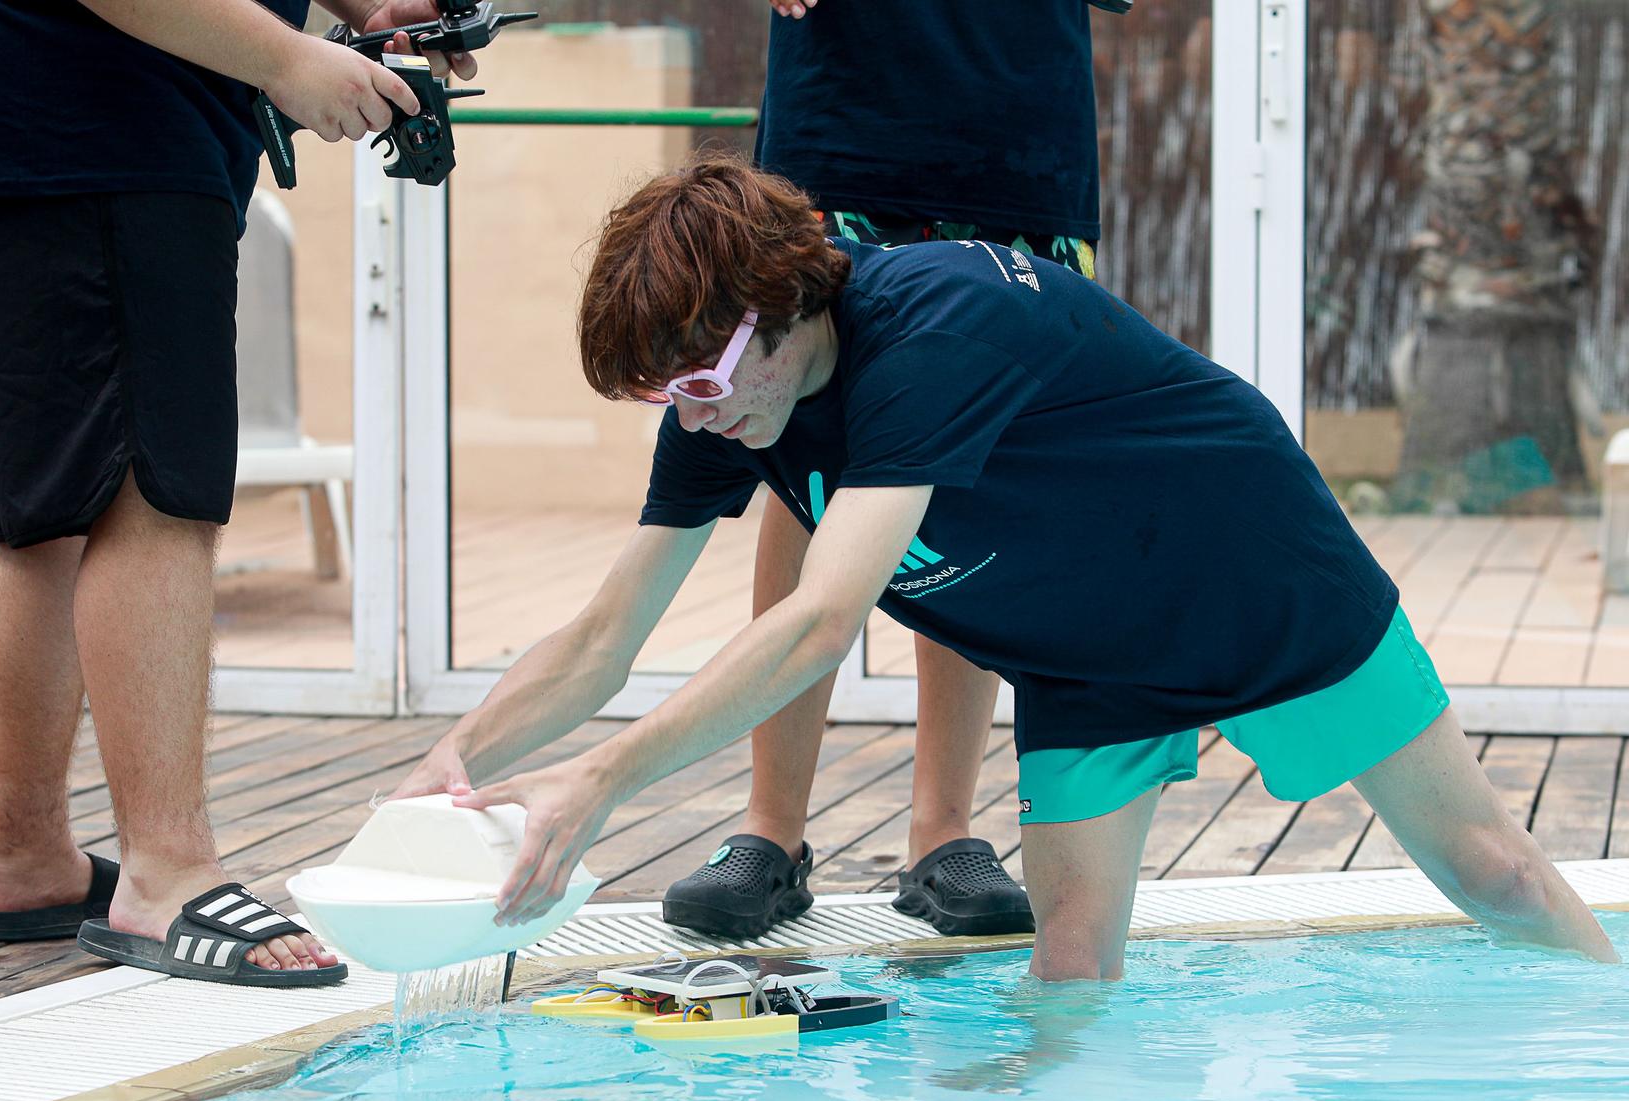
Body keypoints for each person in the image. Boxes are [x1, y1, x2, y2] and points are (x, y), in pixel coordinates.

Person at [394, 154, 1619, 979]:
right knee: (1068, 974)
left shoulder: (931, 327)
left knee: (1492, 870)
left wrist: (599, 780)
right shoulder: (729, 404)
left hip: (1243, 568)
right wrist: (449, 767)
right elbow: (603, 636)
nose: (693, 418)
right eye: (668, 396)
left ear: (778, 305)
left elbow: (824, 622)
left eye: (702, 384)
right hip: (1078, 655)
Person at [0, 0, 474, 985]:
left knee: (42, 516)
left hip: (20, 113)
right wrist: (286, 58)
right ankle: (166, 875)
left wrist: (363, 12)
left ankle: (22, 856)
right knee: (151, 498)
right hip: (106, 124)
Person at [659, 0, 1103, 941]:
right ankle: (770, 829)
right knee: (803, 458)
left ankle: (943, 831)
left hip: (1014, 122)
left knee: (962, 469)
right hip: (847, 117)